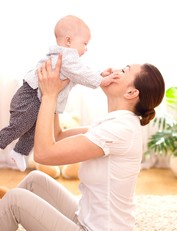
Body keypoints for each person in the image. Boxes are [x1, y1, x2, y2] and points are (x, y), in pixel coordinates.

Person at [0, 55, 165, 231]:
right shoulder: (114, 123)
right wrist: (59, 90)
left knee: (17, 200)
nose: (114, 69)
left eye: (124, 70)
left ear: (132, 92)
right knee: (36, 180)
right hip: (85, 223)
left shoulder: (120, 130)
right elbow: (58, 136)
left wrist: (50, 96)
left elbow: (44, 153)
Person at [0, 15, 117, 172]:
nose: (86, 49)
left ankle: (19, 152)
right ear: (68, 41)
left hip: (38, 98)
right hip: (30, 95)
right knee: (20, 126)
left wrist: (99, 74)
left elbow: (79, 75)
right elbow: (81, 73)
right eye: (84, 43)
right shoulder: (66, 56)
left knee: (35, 128)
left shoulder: (69, 63)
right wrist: (101, 81)